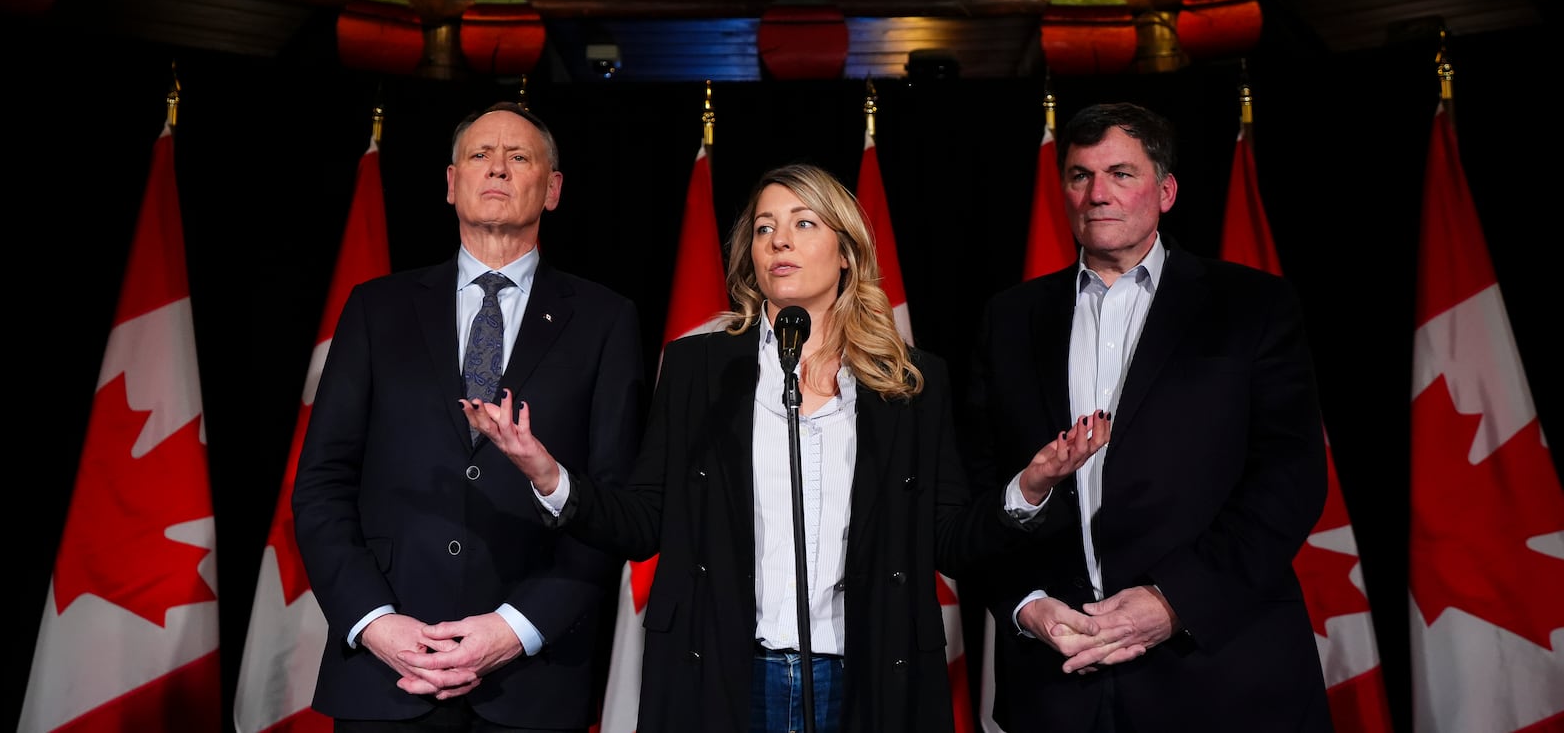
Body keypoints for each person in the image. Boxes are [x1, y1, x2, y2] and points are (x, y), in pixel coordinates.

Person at [463, 162, 1110, 733]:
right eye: (766, 226)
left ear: (847, 250)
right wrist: (548, 474)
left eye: (803, 223)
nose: (779, 240)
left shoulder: (912, 382)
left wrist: (1028, 486)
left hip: (870, 674)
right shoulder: (698, 368)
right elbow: (643, 520)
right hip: (723, 670)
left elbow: (947, 539)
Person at [960, 101, 1331, 732]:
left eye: (1121, 173)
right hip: (1059, 684)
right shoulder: (1009, 319)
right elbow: (976, 486)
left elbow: (1290, 478)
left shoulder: (1251, 306)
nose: (1097, 193)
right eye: (1080, 175)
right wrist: (1026, 606)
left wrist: (1173, 601)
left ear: (1166, 191)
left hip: (1221, 677)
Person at [292, 101, 644, 732]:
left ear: (553, 189)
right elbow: (321, 486)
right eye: (480, 155)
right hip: (387, 673)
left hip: (531, 683)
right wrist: (374, 622)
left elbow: (612, 508)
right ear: (452, 183)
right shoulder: (377, 309)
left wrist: (516, 629)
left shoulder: (605, 322)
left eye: (519, 157)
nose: (498, 169)